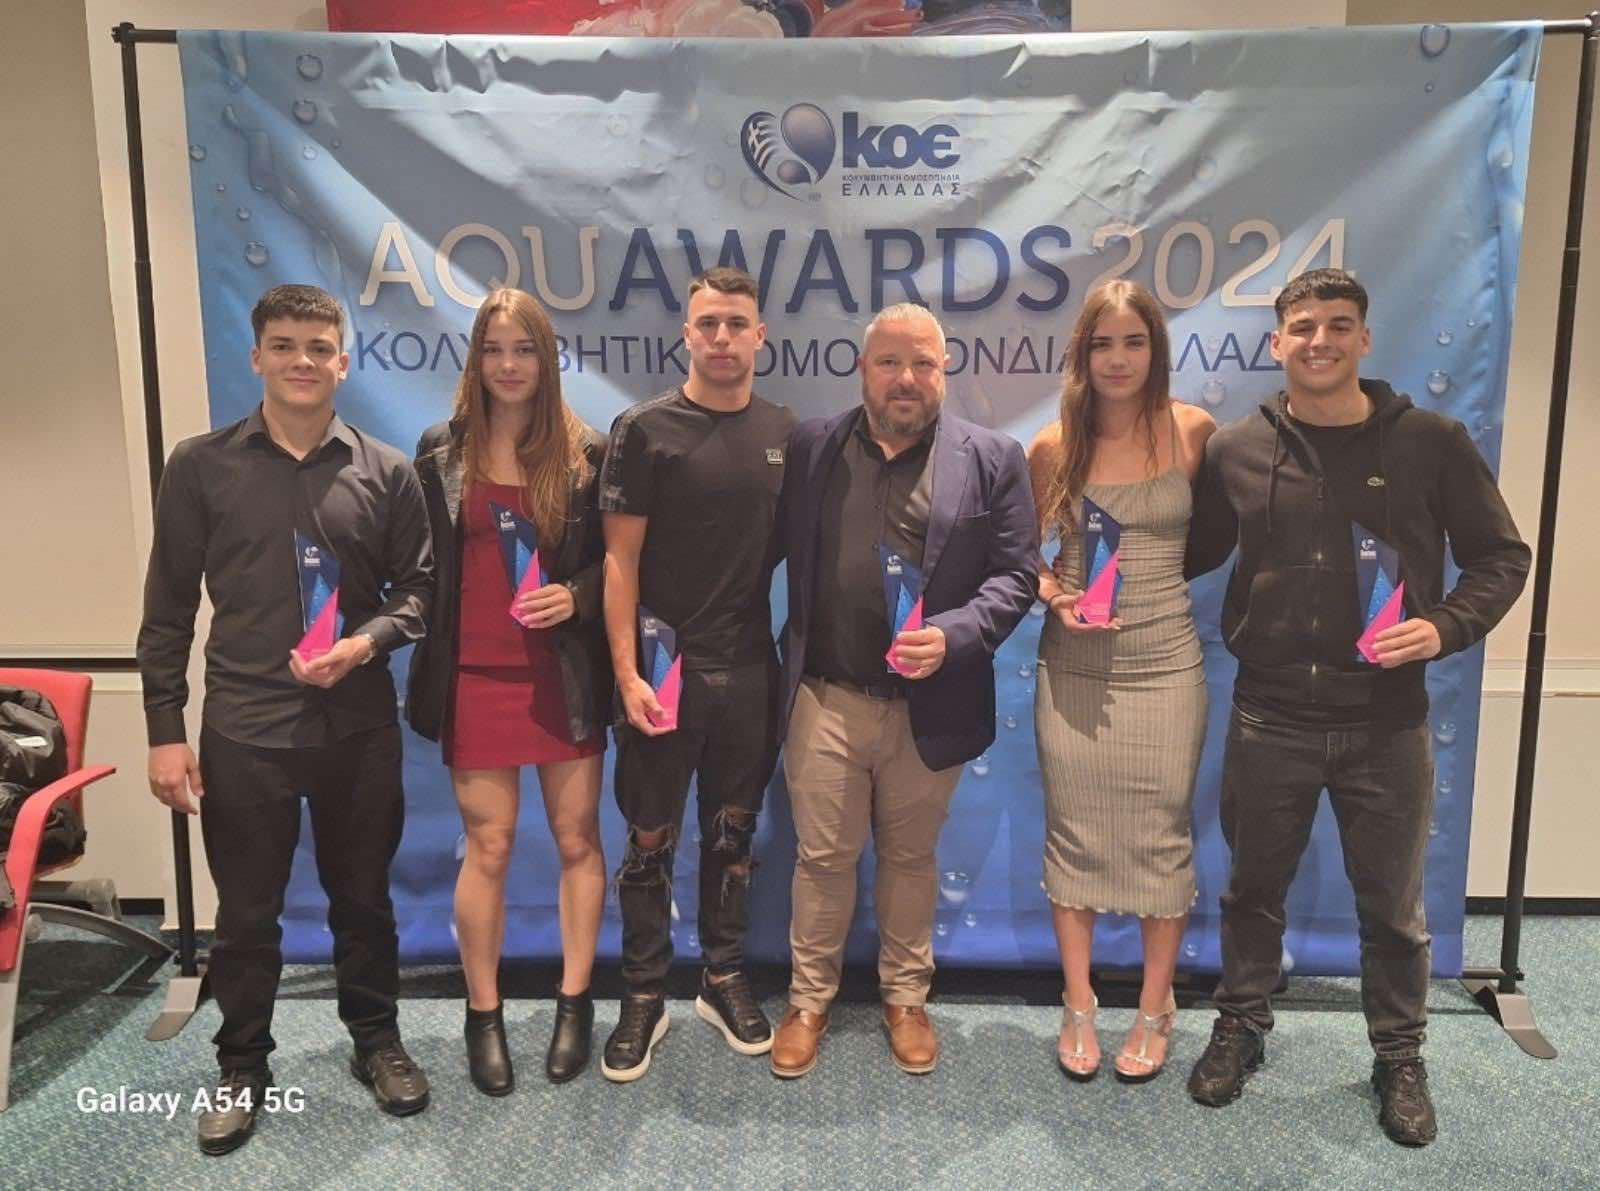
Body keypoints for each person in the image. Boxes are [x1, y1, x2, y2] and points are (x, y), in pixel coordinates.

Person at [1183, 268, 1531, 1146]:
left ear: (1365, 340)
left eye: (1339, 325)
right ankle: (1241, 1024)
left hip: (1386, 722)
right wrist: (1082, 562)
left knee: (1393, 910)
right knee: (1251, 890)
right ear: (1277, 342)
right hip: (1269, 717)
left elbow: (1502, 557)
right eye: (1303, 326)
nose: (1321, 340)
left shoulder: (1431, 442)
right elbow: (1185, 552)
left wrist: (1445, 626)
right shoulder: (1236, 450)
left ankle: (1400, 1055)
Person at [138, 284, 435, 1155]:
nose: (301, 360)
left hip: (357, 728)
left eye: (317, 346)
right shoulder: (200, 465)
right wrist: (164, 729)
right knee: (246, 915)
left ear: (343, 361)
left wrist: (366, 643)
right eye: (283, 345)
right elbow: (167, 608)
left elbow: (421, 590)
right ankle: (241, 1063)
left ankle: (376, 1040)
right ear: (257, 356)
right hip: (245, 730)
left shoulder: (388, 470)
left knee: (364, 901)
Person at [770, 302, 1039, 1079]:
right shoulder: (813, 446)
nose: (906, 378)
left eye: (923, 362)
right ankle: (808, 1000)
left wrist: (955, 634)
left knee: (911, 857)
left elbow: (1017, 574)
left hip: (931, 703)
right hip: (826, 697)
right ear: (863, 369)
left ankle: (906, 996)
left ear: (943, 369)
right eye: (890, 362)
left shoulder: (993, 458)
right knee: (822, 860)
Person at [406, 288, 611, 1091]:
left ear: (546, 358)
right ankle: (482, 1012)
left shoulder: (586, 453)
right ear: (475, 359)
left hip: (563, 677)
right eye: (493, 349)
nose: (509, 365)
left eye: (524, 349)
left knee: (577, 840)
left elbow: (617, 565)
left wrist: (577, 596)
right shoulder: (440, 450)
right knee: (487, 846)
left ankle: (574, 1002)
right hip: (475, 677)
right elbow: (422, 567)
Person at [597, 266, 796, 1082]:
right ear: (686, 334)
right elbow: (618, 561)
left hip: (750, 669)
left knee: (733, 831)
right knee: (649, 836)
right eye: (707, 323)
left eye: (736, 323)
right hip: (661, 671)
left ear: (760, 337)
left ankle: (722, 976)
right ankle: (645, 993)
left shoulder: (786, 433)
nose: (721, 337)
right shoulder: (643, 430)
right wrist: (626, 674)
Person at [1027, 281, 1216, 1084]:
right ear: (1082, 352)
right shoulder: (1052, 445)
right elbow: (1022, 557)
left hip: (1165, 664)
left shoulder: (1193, 430)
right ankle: (1078, 1001)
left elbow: (1217, 535)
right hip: (1075, 669)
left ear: (1155, 349)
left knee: (1160, 836)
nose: (1117, 358)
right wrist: (1056, 596)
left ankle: (1153, 1006)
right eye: (1102, 343)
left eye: (1133, 341)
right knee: (1074, 832)